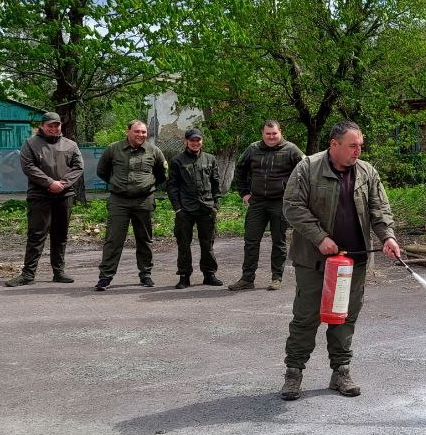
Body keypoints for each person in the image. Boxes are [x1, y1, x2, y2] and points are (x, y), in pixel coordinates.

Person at [279, 120, 401, 401]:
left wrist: (388, 238)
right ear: (334, 144)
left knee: (344, 317)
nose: (358, 151)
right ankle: (294, 373)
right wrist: (319, 237)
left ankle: (341, 372)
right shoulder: (308, 167)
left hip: (354, 261)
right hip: (314, 260)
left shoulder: (367, 172)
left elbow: (380, 208)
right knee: (306, 317)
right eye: (352, 146)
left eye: (360, 145)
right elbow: (292, 207)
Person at [5, 112, 85, 286]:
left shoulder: (70, 145)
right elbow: (28, 166)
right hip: (39, 195)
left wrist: (62, 184)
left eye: (56, 125)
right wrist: (49, 183)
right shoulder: (31, 144)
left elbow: (78, 167)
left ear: (60, 126)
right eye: (50, 125)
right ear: (42, 126)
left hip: (64, 195)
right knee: (36, 235)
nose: (53, 128)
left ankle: (59, 272)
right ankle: (28, 274)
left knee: (60, 234)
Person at [228, 120, 304, 291]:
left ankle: (276, 278)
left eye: (274, 133)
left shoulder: (291, 149)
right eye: (268, 134)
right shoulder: (253, 149)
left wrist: (295, 196)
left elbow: (305, 172)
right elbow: (240, 170)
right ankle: (247, 278)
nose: (271, 137)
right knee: (251, 241)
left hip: (280, 202)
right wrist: (244, 193)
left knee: (279, 241)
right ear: (262, 133)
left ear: (280, 132)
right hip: (257, 202)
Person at [94, 120, 166, 291]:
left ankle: (146, 274)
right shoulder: (113, 149)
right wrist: (117, 184)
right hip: (119, 201)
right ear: (128, 132)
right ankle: (105, 277)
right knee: (113, 239)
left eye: (143, 132)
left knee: (145, 238)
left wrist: (147, 185)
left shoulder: (154, 151)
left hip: (144, 200)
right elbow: (102, 171)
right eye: (137, 132)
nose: (141, 135)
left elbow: (162, 174)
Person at [166, 127, 224, 289]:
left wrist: (216, 205)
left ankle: (209, 274)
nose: (195, 143)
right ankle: (184, 276)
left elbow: (216, 184)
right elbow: (172, 187)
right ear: (186, 141)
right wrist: (178, 209)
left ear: (202, 141)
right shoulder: (177, 161)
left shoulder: (210, 159)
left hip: (206, 208)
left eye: (198, 140)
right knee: (184, 243)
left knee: (207, 243)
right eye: (192, 140)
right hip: (186, 209)